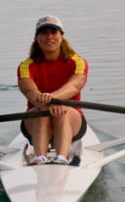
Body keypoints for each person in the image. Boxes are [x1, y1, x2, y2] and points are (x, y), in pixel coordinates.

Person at [17, 15, 88, 166]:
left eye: (54, 32)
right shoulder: (26, 66)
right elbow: (29, 91)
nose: (49, 37)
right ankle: (40, 158)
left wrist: (52, 99)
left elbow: (75, 86)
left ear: (61, 36)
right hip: (36, 119)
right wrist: (43, 103)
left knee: (62, 109)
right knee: (42, 112)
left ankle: (61, 158)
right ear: (37, 38)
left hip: (72, 121)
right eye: (44, 33)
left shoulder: (77, 62)